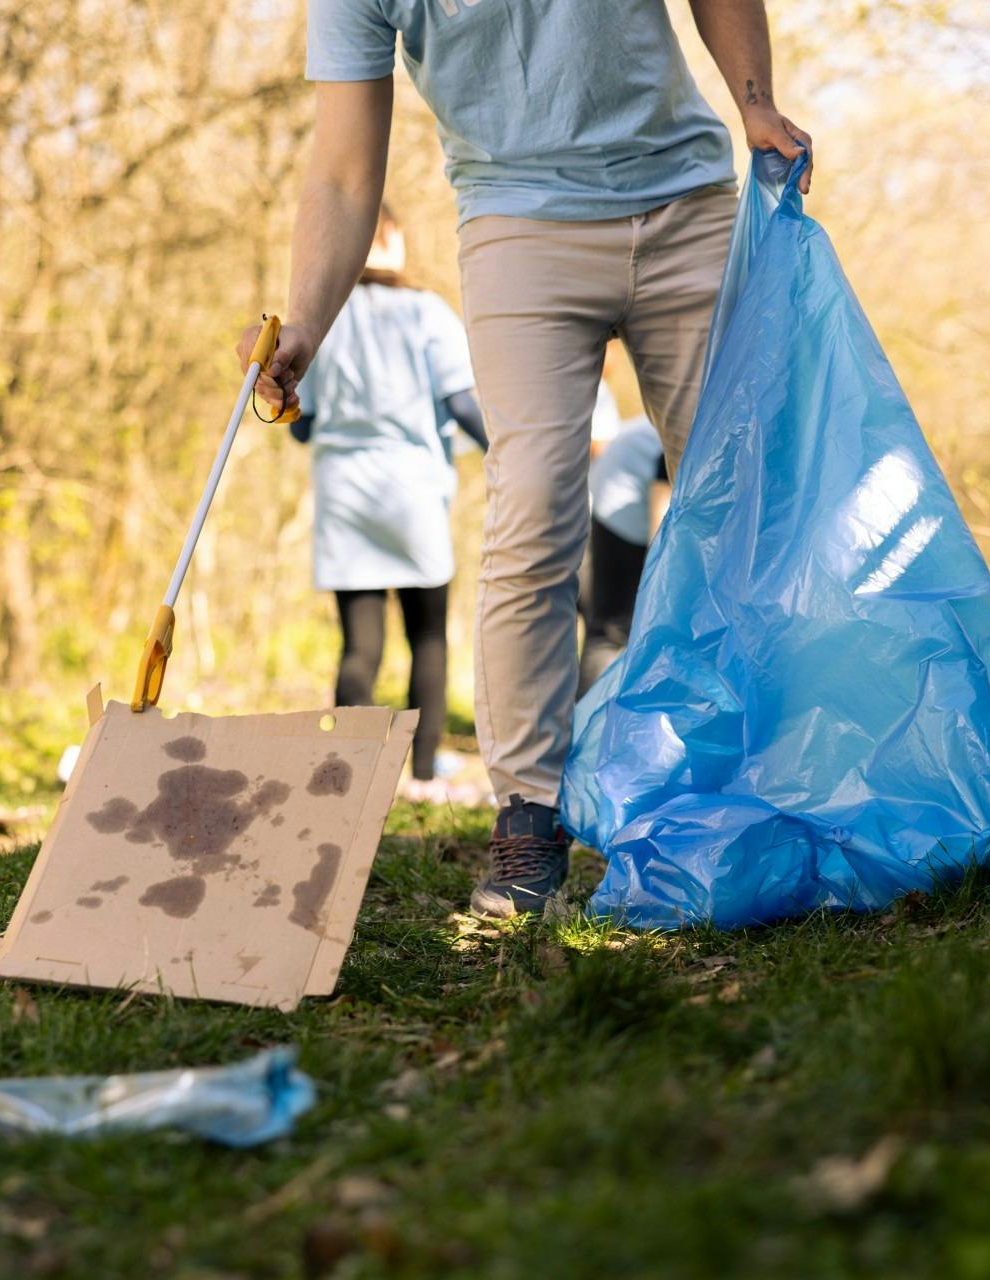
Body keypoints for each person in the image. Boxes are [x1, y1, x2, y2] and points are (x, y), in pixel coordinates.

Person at [242, 0, 812, 916]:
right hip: (518, 229)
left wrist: (754, 98)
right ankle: (529, 822)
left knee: (741, 503)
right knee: (535, 506)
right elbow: (345, 175)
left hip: (685, 200)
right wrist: (308, 319)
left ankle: (774, 786)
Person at [290, 207, 487, 803]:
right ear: (394, 241)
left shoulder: (325, 323)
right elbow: (462, 401)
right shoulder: (427, 312)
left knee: (360, 643)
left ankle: (347, 776)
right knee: (426, 635)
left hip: (345, 489)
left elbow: (304, 424)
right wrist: (509, 454)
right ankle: (423, 774)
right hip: (412, 488)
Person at [580, 411, 668, 697]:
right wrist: (658, 570)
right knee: (611, 630)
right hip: (621, 502)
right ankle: (584, 730)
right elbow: (663, 502)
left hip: (620, 480)